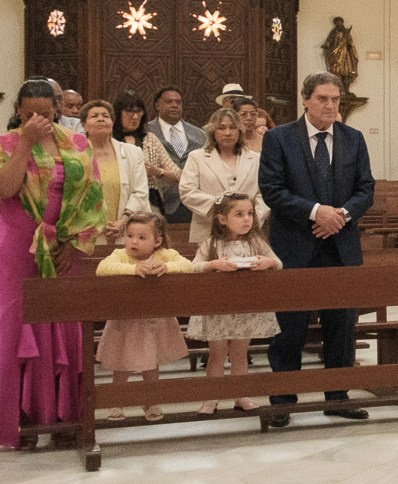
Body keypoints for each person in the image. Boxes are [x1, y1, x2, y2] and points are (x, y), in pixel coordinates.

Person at [0, 78, 108, 450]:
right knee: (18, 325)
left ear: (57, 110)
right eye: (29, 114)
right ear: (18, 112)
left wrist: (76, 244)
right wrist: (26, 143)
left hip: (64, 245)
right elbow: (5, 188)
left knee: (64, 326)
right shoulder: (2, 144)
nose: (38, 120)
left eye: (45, 113)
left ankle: (66, 417)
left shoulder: (77, 144)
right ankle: (22, 419)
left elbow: (93, 196)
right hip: (18, 244)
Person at [256, 72, 375, 426]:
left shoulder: (353, 138)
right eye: (323, 98)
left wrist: (341, 215)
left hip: (341, 246)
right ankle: (283, 400)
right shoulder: (279, 138)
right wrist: (315, 212)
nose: (330, 105)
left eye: (335, 99)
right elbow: (272, 190)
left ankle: (337, 397)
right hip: (295, 245)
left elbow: (365, 189)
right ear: (305, 99)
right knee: (289, 328)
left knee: (342, 327)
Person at [93, 211, 195, 422]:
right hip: (126, 320)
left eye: (142, 237)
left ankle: (151, 400)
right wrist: (133, 269)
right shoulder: (120, 255)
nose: (134, 242)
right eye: (130, 236)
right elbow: (102, 268)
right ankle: (116, 401)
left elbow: (188, 265)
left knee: (151, 363)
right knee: (122, 364)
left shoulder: (164, 255)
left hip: (154, 320)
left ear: (157, 241)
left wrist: (167, 267)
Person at [188, 193, 281, 416]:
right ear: (222, 219)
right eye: (239, 214)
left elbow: (278, 263)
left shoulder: (256, 242)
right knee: (217, 354)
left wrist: (267, 262)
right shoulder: (211, 244)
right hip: (218, 308)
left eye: (250, 213)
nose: (246, 219)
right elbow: (193, 267)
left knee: (240, 354)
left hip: (244, 307)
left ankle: (241, 395)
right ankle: (211, 398)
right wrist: (213, 265)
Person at [179, 107, 267, 251]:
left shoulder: (255, 158)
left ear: (240, 131)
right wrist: (223, 208)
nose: (227, 133)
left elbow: (263, 193)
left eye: (232, 128)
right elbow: (187, 191)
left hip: (248, 230)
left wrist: (252, 217)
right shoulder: (197, 157)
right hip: (208, 228)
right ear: (212, 132)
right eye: (221, 128)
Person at [82, 98, 151, 230]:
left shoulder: (133, 152)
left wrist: (123, 221)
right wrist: (97, 224)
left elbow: (140, 192)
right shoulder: (75, 154)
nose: (101, 119)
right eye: (94, 116)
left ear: (112, 123)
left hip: (126, 228)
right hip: (87, 229)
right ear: (84, 125)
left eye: (105, 116)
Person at [146, 87, 207, 223]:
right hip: (159, 203)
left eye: (178, 102)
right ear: (157, 105)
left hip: (194, 203)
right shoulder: (146, 132)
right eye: (169, 102)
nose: (174, 105)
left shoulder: (200, 134)